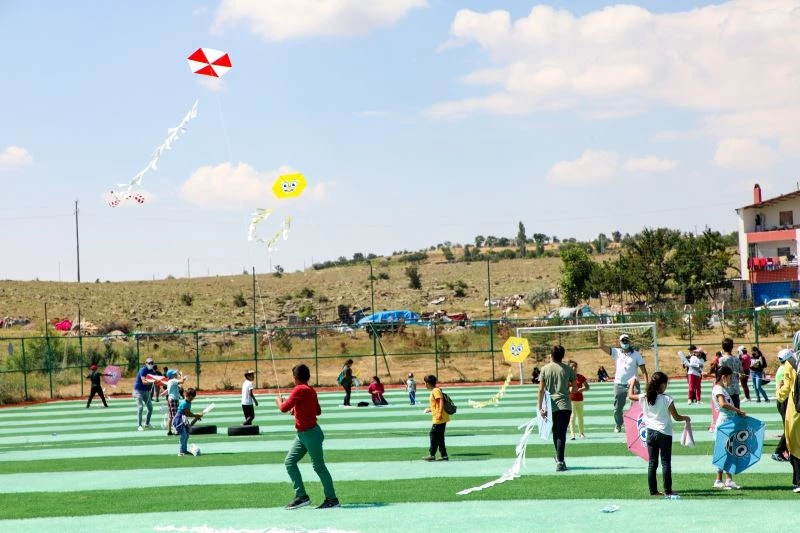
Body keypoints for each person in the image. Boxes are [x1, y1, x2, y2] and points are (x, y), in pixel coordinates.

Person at [276, 363, 340, 509]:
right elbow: (317, 411)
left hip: (310, 434)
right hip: (304, 434)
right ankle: (301, 496)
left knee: (319, 467)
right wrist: (298, 409)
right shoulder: (310, 390)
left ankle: (332, 499)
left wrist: (279, 401)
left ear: (295, 377)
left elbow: (283, 408)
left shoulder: (299, 389)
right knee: (289, 462)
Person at [628, 372, 690, 496]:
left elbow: (630, 396)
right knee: (666, 462)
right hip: (664, 433)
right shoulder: (667, 399)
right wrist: (686, 418)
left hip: (650, 432)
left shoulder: (645, 396)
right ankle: (668, 490)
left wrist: (632, 383)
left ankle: (653, 491)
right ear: (662, 384)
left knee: (652, 463)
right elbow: (676, 417)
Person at [599, 332, 649, 432]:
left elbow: (644, 372)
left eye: (626, 340)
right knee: (617, 408)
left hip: (633, 384)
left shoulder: (636, 354)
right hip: (619, 384)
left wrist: (646, 386)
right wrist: (599, 332)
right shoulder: (615, 352)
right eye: (623, 341)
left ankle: (634, 425)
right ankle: (618, 424)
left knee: (635, 406)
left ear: (629, 341)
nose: (625, 342)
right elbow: (601, 346)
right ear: (620, 342)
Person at [538, 345, 577, 472]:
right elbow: (575, 389)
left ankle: (559, 458)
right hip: (565, 405)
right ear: (563, 356)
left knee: (555, 432)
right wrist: (567, 387)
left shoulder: (544, 369)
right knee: (561, 433)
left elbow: (541, 390)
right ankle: (560, 460)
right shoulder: (568, 369)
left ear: (551, 355)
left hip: (550, 405)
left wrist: (540, 408)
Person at [712, 366, 746, 489]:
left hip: (728, 422)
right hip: (724, 423)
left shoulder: (722, 388)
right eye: (730, 377)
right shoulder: (718, 389)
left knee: (730, 450)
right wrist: (738, 410)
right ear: (723, 377)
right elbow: (722, 404)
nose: (731, 380)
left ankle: (729, 479)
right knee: (723, 451)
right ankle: (718, 480)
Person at [422, 374, 450, 462]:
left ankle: (432, 454)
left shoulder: (435, 391)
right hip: (440, 416)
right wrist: (430, 409)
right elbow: (436, 404)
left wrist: (439, 413)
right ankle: (444, 455)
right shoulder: (435, 390)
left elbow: (440, 401)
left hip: (439, 417)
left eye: (425, 383)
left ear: (428, 383)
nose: (424, 385)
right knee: (440, 437)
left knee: (433, 435)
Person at [773, 348, 794, 462]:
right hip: (784, 401)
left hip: (784, 400)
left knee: (789, 428)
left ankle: (787, 451)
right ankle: (778, 451)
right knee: (789, 428)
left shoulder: (782, 368)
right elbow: (784, 387)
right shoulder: (784, 370)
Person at [174, 387, 203, 456]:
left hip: (183, 419)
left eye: (192, 398)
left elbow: (188, 413)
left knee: (186, 435)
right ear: (186, 395)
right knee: (183, 435)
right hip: (179, 420)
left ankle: (184, 450)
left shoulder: (188, 402)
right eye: (190, 398)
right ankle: (181, 452)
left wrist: (196, 417)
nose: (191, 399)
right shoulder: (184, 403)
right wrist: (196, 415)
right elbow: (187, 413)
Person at [133, 357, 157, 431]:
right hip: (138, 391)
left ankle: (147, 423)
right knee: (140, 407)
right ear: (145, 363)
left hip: (146, 391)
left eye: (152, 363)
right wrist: (153, 381)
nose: (151, 364)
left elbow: (154, 380)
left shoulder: (152, 371)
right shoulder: (143, 370)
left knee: (150, 408)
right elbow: (144, 381)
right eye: (149, 363)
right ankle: (139, 425)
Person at [568, 360, 589, 440]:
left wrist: (582, 389)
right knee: (572, 416)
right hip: (571, 400)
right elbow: (563, 388)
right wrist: (569, 389)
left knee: (580, 417)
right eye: (571, 366)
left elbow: (587, 387)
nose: (573, 368)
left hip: (580, 399)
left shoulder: (580, 377)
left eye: (575, 366)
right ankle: (572, 434)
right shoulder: (567, 377)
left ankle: (581, 433)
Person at [719, 339, 743, 408]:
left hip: (726, 389)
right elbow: (742, 374)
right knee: (737, 410)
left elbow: (720, 373)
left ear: (723, 347)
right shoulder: (737, 359)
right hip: (736, 388)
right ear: (732, 347)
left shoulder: (722, 359)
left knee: (728, 412)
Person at [164, 369, 186, 436]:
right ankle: (176, 430)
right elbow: (181, 381)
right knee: (175, 416)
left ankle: (169, 431)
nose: (176, 374)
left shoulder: (170, 381)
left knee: (170, 416)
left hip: (170, 399)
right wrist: (181, 374)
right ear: (172, 375)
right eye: (174, 373)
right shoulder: (173, 380)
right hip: (174, 399)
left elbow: (168, 390)